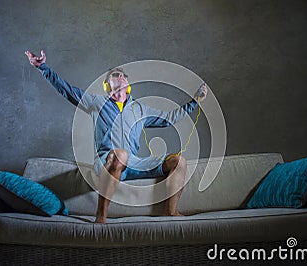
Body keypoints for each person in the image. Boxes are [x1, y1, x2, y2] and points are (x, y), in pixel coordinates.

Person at [25, 50, 208, 223]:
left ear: (128, 84)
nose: (121, 76)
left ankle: (171, 212)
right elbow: (66, 89)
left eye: (123, 75)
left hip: (135, 163)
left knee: (179, 161)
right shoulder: (96, 103)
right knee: (121, 155)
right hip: (108, 161)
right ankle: (101, 217)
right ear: (107, 85)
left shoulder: (140, 109)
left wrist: (195, 100)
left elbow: (169, 119)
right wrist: (43, 67)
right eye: (115, 75)